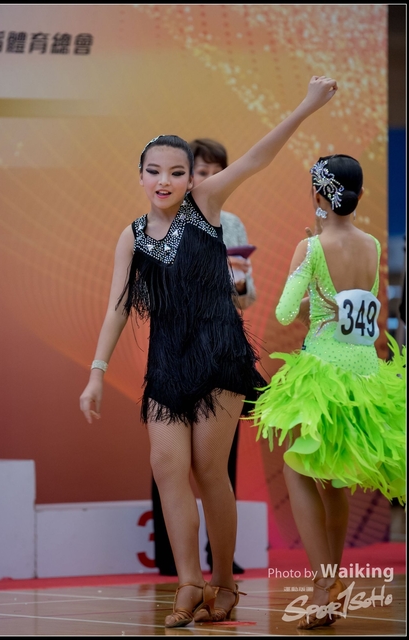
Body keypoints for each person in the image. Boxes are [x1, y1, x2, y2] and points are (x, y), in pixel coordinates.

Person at [79, 75, 338, 628]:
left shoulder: (206, 202)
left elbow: (257, 157)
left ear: (191, 176)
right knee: (167, 466)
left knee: (208, 469)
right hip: (167, 363)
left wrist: (306, 106)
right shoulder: (132, 235)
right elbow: (118, 308)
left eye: (178, 171)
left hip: (219, 354)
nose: (166, 180)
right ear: (141, 175)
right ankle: (189, 582)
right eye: (155, 171)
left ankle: (224, 581)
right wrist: (97, 372)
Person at [249, 154, 406, 630]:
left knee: (297, 469)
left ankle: (324, 582)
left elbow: (283, 313)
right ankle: (329, 586)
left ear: (318, 195)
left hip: (323, 371)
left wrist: (308, 279)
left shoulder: (311, 247)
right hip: (365, 372)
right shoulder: (372, 245)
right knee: (334, 480)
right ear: (359, 194)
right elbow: (365, 307)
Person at [151, 137, 257, 577]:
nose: (207, 178)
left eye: (217, 171)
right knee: (168, 459)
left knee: (217, 463)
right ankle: (172, 560)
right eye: (200, 170)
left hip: (219, 347)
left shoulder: (231, 224)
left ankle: (220, 561)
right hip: (175, 350)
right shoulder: (160, 221)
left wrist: (238, 281)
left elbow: (246, 298)